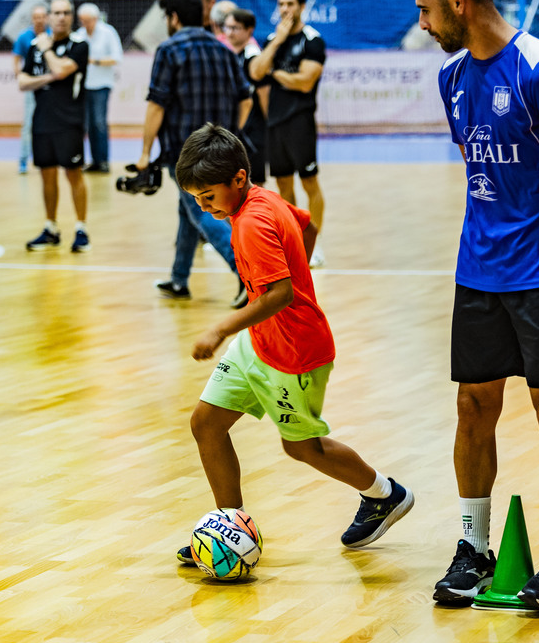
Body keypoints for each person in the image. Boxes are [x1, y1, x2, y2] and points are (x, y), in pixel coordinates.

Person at [409, 0, 539, 615]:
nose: (425, 25)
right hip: (479, 271)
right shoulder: (453, 76)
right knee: (472, 407)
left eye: (428, 11)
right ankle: (472, 548)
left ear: (458, 2)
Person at [172, 123, 414, 568]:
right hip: (259, 342)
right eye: (196, 199)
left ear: (238, 179)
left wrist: (221, 328)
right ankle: (229, 531)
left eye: (208, 196)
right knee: (206, 423)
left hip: (295, 353)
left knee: (302, 448)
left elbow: (279, 294)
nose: (203, 207)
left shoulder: (250, 224)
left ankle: (384, 494)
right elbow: (308, 225)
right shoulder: (266, 198)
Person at [135, 0, 252, 307]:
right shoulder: (223, 50)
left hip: (185, 152)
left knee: (204, 214)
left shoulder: (170, 50)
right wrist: (233, 135)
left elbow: (156, 105)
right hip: (221, 148)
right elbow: (246, 97)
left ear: (173, 18)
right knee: (187, 211)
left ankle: (246, 274)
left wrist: (145, 154)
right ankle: (179, 279)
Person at [247, 0, 328, 267]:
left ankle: (313, 243)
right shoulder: (273, 39)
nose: (284, 9)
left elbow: (305, 81)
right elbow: (256, 72)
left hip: (300, 121)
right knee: (283, 185)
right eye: (281, 4)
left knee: (309, 183)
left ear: (302, 6)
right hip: (275, 123)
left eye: (290, 4)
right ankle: (294, 241)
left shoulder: (312, 40)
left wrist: (276, 73)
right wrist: (277, 41)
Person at [18, 0, 91, 253]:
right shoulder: (34, 47)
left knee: (74, 174)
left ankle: (81, 228)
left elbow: (62, 71)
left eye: (66, 13)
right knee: (47, 175)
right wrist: (49, 75)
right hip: (42, 121)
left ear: (72, 17)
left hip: (69, 121)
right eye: (57, 13)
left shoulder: (79, 45)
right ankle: (51, 227)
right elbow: (22, 81)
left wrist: (48, 51)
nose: (61, 17)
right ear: (49, 16)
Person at [222, 8, 269, 186]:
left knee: (254, 184)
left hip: (253, 130)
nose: (230, 32)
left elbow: (264, 94)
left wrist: (268, 125)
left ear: (249, 30)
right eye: (227, 28)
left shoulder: (253, 58)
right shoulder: (231, 56)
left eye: (235, 28)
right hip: (235, 128)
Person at [75, 2, 124, 174]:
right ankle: (93, 161)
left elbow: (117, 57)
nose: (85, 24)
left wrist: (94, 61)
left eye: (88, 20)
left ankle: (103, 161)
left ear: (96, 18)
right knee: (86, 125)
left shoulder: (108, 32)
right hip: (84, 85)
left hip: (102, 85)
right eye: (82, 20)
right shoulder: (79, 35)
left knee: (99, 123)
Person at [13, 3, 48, 175]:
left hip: (49, 87)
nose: (39, 20)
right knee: (28, 123)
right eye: (36, 17)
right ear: (32, 19)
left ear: (46, 18)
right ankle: (23, 160)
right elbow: (16, 56)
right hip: (32, 87)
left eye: (42, 17)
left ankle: (46, 159)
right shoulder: (24, 37)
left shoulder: (51, 36)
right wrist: (18, 74)